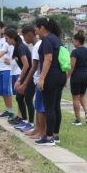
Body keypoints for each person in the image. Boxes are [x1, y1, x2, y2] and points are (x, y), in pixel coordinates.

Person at [35, 18, 66, 146]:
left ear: (42, 27)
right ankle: (55, 135)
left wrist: (41, 78)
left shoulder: (47, 40)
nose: (37, 33)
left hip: (51, 77)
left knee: (49, 108)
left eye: (36, 30)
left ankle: (48, 138)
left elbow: (48, 59)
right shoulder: (56, 38)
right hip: (60, 76)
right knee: (56, 106)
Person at [4, 28, 35, 132]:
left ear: (13, 38)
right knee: (19, 98)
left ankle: (31, 123)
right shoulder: (16, 47)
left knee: (28, 99)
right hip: (25, 75)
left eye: (7, 38)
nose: (5, 40)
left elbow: (26, 65)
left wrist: (19, 80)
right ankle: (24, 121)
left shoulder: (21, 47)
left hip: (30, 76)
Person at [21, 25, 45, 139]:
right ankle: (36, 128)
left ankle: (41, 131)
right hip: (37, 80)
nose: (24, 40)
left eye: (24, 37)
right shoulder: (36, 45)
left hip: (40, 80)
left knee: (40, 107)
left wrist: (25, 82)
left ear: (29, 35)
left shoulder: (37, 46)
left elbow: (34, 67)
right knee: (37, 105)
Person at [67, 30, 87, 126]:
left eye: (74, 41)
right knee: (82, 95)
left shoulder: (75, 52)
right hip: (86, 75)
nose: (73, 43)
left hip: (76, 76)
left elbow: (72, 66)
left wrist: (66, 78)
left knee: (75, 98)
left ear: (77, 41)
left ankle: (78, 120)